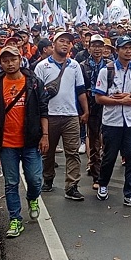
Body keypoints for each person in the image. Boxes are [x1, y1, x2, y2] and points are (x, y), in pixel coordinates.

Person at [0, 46, 49, 238]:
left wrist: (45, 135)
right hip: (7, 144)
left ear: (20, 60)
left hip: (31, 142)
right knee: (11, 182)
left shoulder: (34, 83)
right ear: (0, 63)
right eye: (5, 60)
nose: (9, 64)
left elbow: (43, 111)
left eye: (13, 59)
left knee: (35, 180)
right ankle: (15, 219)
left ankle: (32, 198)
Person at [93, 36, 131, 209]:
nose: (128, 51)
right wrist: (119, 101)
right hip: (112, 122)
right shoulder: (107, 71)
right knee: (109, 157)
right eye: (124, 48)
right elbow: (98, 97)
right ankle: (103, 184)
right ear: (116, 50)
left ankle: (130, 193)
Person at [34, 31, 89, 201]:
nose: (65, 44)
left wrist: (85, 110)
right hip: (49, 116)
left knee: (72, 152)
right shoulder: (42, 66)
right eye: (62, 41)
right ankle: (48, 179)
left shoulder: (75, 66)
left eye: (68, 42)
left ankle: (72, 186)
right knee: (47, 152)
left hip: (71, 115)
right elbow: (36, 93)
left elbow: (80, 90)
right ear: (53, 44)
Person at [80, 34, 108, 188]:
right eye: (94, 46)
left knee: (108, 139)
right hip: (91, 105)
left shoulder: (110, 65)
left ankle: (101, 168)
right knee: (94, 139)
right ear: (88, 47)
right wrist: (83, 110)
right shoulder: (82, 66)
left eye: (100, 46)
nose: (97, 49)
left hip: (108, 104)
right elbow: (80, 89)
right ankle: (97, 176)